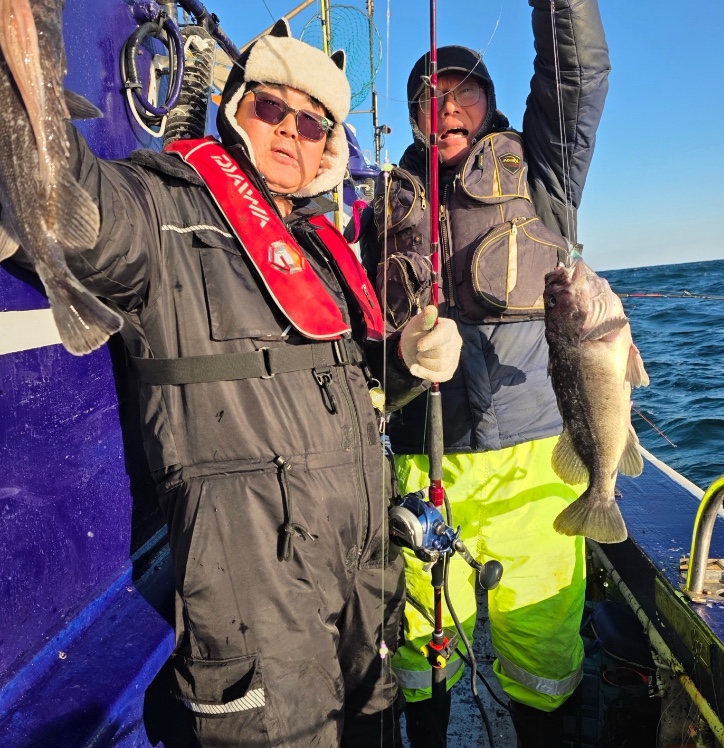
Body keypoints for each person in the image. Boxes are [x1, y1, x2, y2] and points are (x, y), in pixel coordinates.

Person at [15, 19, 462, 748]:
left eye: (313, 123)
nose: (291, 130)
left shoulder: (324, 249)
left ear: (329, 148)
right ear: (235, 107)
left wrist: (409, 351)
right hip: (256, 593)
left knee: (377, 727)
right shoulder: (163, 209)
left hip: (364, 571)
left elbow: (359, 375)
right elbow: (72, 208)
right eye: (272, 107)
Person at [360, 1, 610, 746]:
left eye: (462, 92)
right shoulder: (381, 210)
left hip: (537, 465)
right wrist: (399, 353)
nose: (444, 109)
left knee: (543, 648)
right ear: (411, 118)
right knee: (420, 646)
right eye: (425, 99)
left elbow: (578, 72)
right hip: (421, 465)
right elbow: (355, 334)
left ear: (491, 101)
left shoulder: (543, 172)